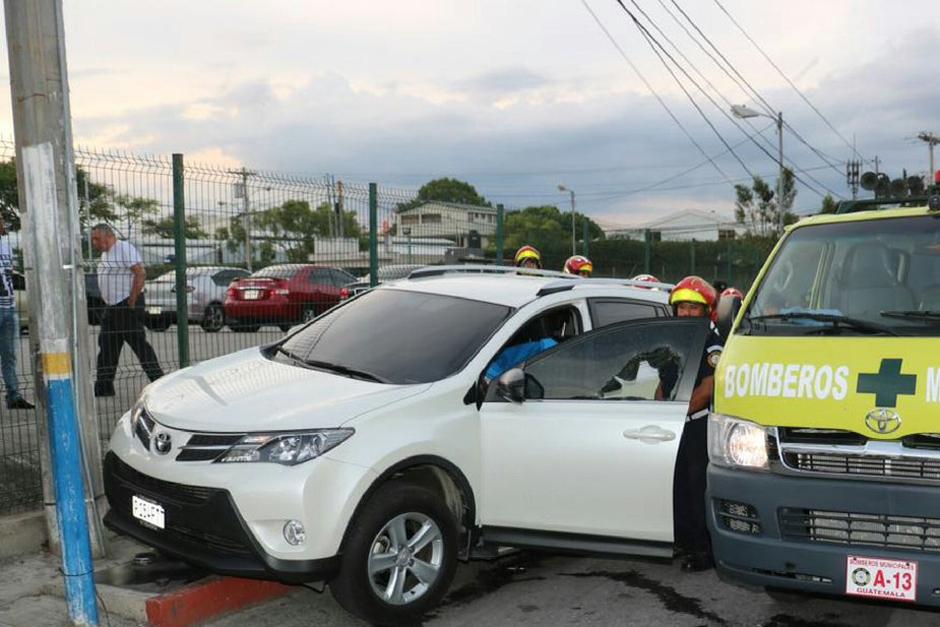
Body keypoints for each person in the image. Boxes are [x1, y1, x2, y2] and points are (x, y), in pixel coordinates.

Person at [668, 275, 722, 572]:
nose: (686, 313)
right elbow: (663, 383)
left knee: (696, 486)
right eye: (681, 307)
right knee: (677, 486)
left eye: (693, 307)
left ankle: (704, 550)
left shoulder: (713, 344)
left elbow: (708, 387)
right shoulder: (673, 339)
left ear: (707, 311)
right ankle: (684, 541)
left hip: (698, 425)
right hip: (675, 425)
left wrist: (676, 412)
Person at [91, 224, 163, 397]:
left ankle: (159, 381)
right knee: (107, 345)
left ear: (108, 236)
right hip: (112, 306)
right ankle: (103, 386)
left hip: (126, 305)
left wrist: (132, 300)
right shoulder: (105, 254)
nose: (94, 243)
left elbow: (140, 273)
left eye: (97, 239)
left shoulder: (124, 248)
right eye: (93, 239)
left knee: (138, 344)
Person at [0, 220, 33, 410]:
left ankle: (14, 395)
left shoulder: (6, 246)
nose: (4, 225)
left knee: (9, 355)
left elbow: (9, 274)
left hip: (9, 306)